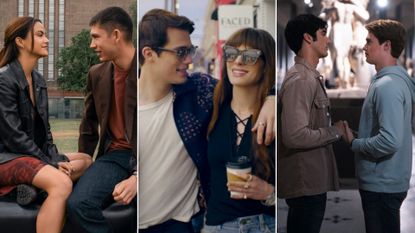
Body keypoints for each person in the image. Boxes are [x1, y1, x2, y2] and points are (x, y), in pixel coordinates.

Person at [139, 9, 275, 233]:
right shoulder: (129, 103)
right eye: (181, 52)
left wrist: (272, 97)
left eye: (190, 50)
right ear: (149, 53)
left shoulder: (199, 92)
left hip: (184, 223)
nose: (190, 60)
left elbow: (246, 84)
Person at [0, 16, 92, 233]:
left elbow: (46, 131)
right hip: (7, 157)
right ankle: (28, 186)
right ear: (20, 41)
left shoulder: (38, 80)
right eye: (40, 35)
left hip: (29, 156)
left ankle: (29, 188)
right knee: (62, 183)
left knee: (86, 161)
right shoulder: (4, 80)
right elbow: (13, 136)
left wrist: (51, 158)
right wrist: (48, 163)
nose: (47, 40)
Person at [65, 7, 137, 233]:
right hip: (115, 156)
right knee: (79, 204)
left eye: (96, 37)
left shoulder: (150, 71)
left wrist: (139, 177)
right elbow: (89, 124)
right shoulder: (96, 73)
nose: (91, 45)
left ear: (116, 35)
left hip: (150, 157)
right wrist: (82, 165)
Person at [342, 19, 415, 233]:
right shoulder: (388, 81)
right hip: (386, 180)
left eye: (369, 41)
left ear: (387, 45)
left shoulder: (387, 86)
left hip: (382, 183)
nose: (364, 47)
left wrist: (354, 142)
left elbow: (390, 140)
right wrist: (359, 134)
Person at [277, 14, 346, 233]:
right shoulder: (301, 80)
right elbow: (295, 135)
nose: (328, 40)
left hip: (311, 180)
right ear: (308, 38)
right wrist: (334, 131)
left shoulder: (308, 76)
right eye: (323, 34)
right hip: (305, 183)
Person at [202, 28, 275, 233]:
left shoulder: (275, 116)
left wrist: (270, 194)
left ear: (265, 64)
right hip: (216, 225)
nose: (238, 61)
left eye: (250, 56)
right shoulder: (210, 108)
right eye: (231, 54)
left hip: (265, 225)